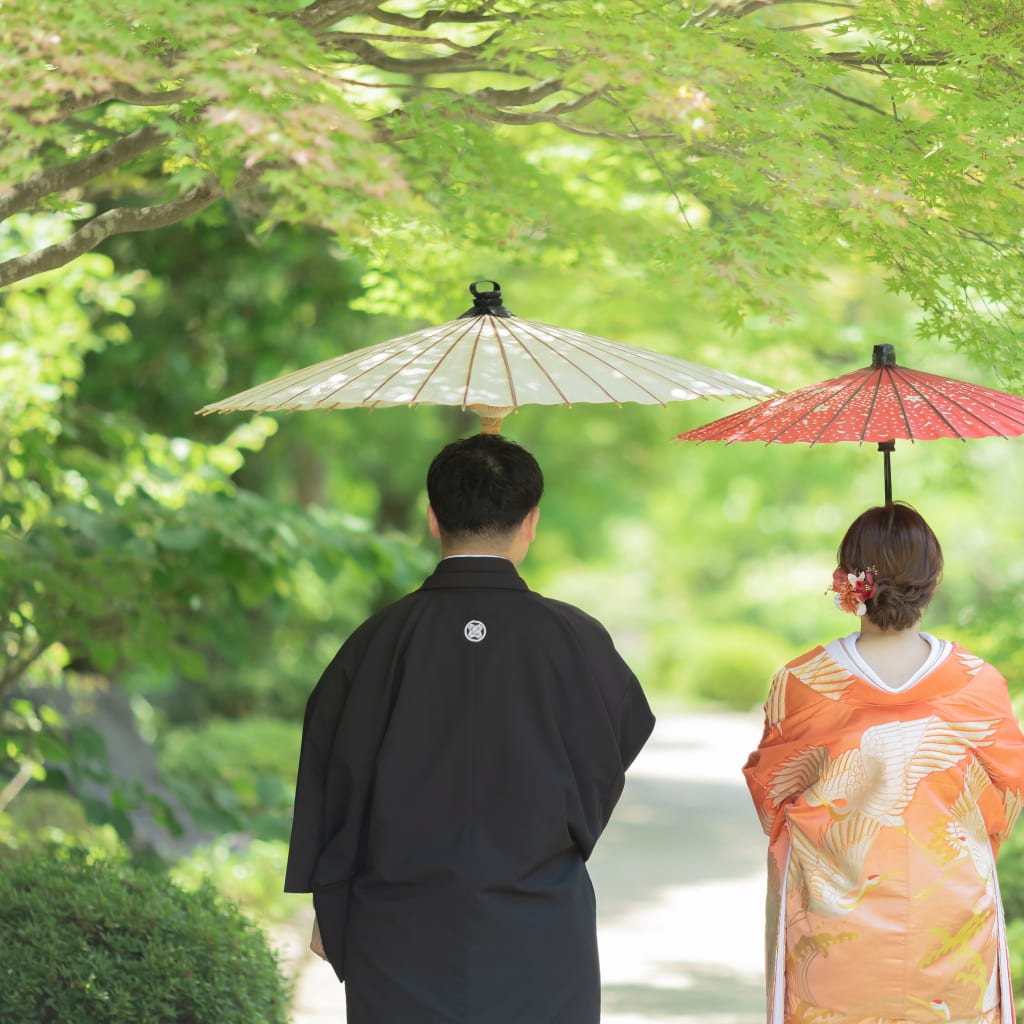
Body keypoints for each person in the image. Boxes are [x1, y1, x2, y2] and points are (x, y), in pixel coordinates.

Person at [285, 432, 655, 1024]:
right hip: (538, 918)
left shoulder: (378, 642)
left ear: (433, 519)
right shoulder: (575, 639)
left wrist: (331, 900)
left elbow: (336, 775)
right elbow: (611, 751)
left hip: (398, 924)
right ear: (530, 523)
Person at [743, 502, 1024, 1024]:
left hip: (833, 925)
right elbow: (1003, 803)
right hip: (950, 919)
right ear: (933, 579)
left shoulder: (802, 683)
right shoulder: (978, 684)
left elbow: (772, 802)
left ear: (848, 577)